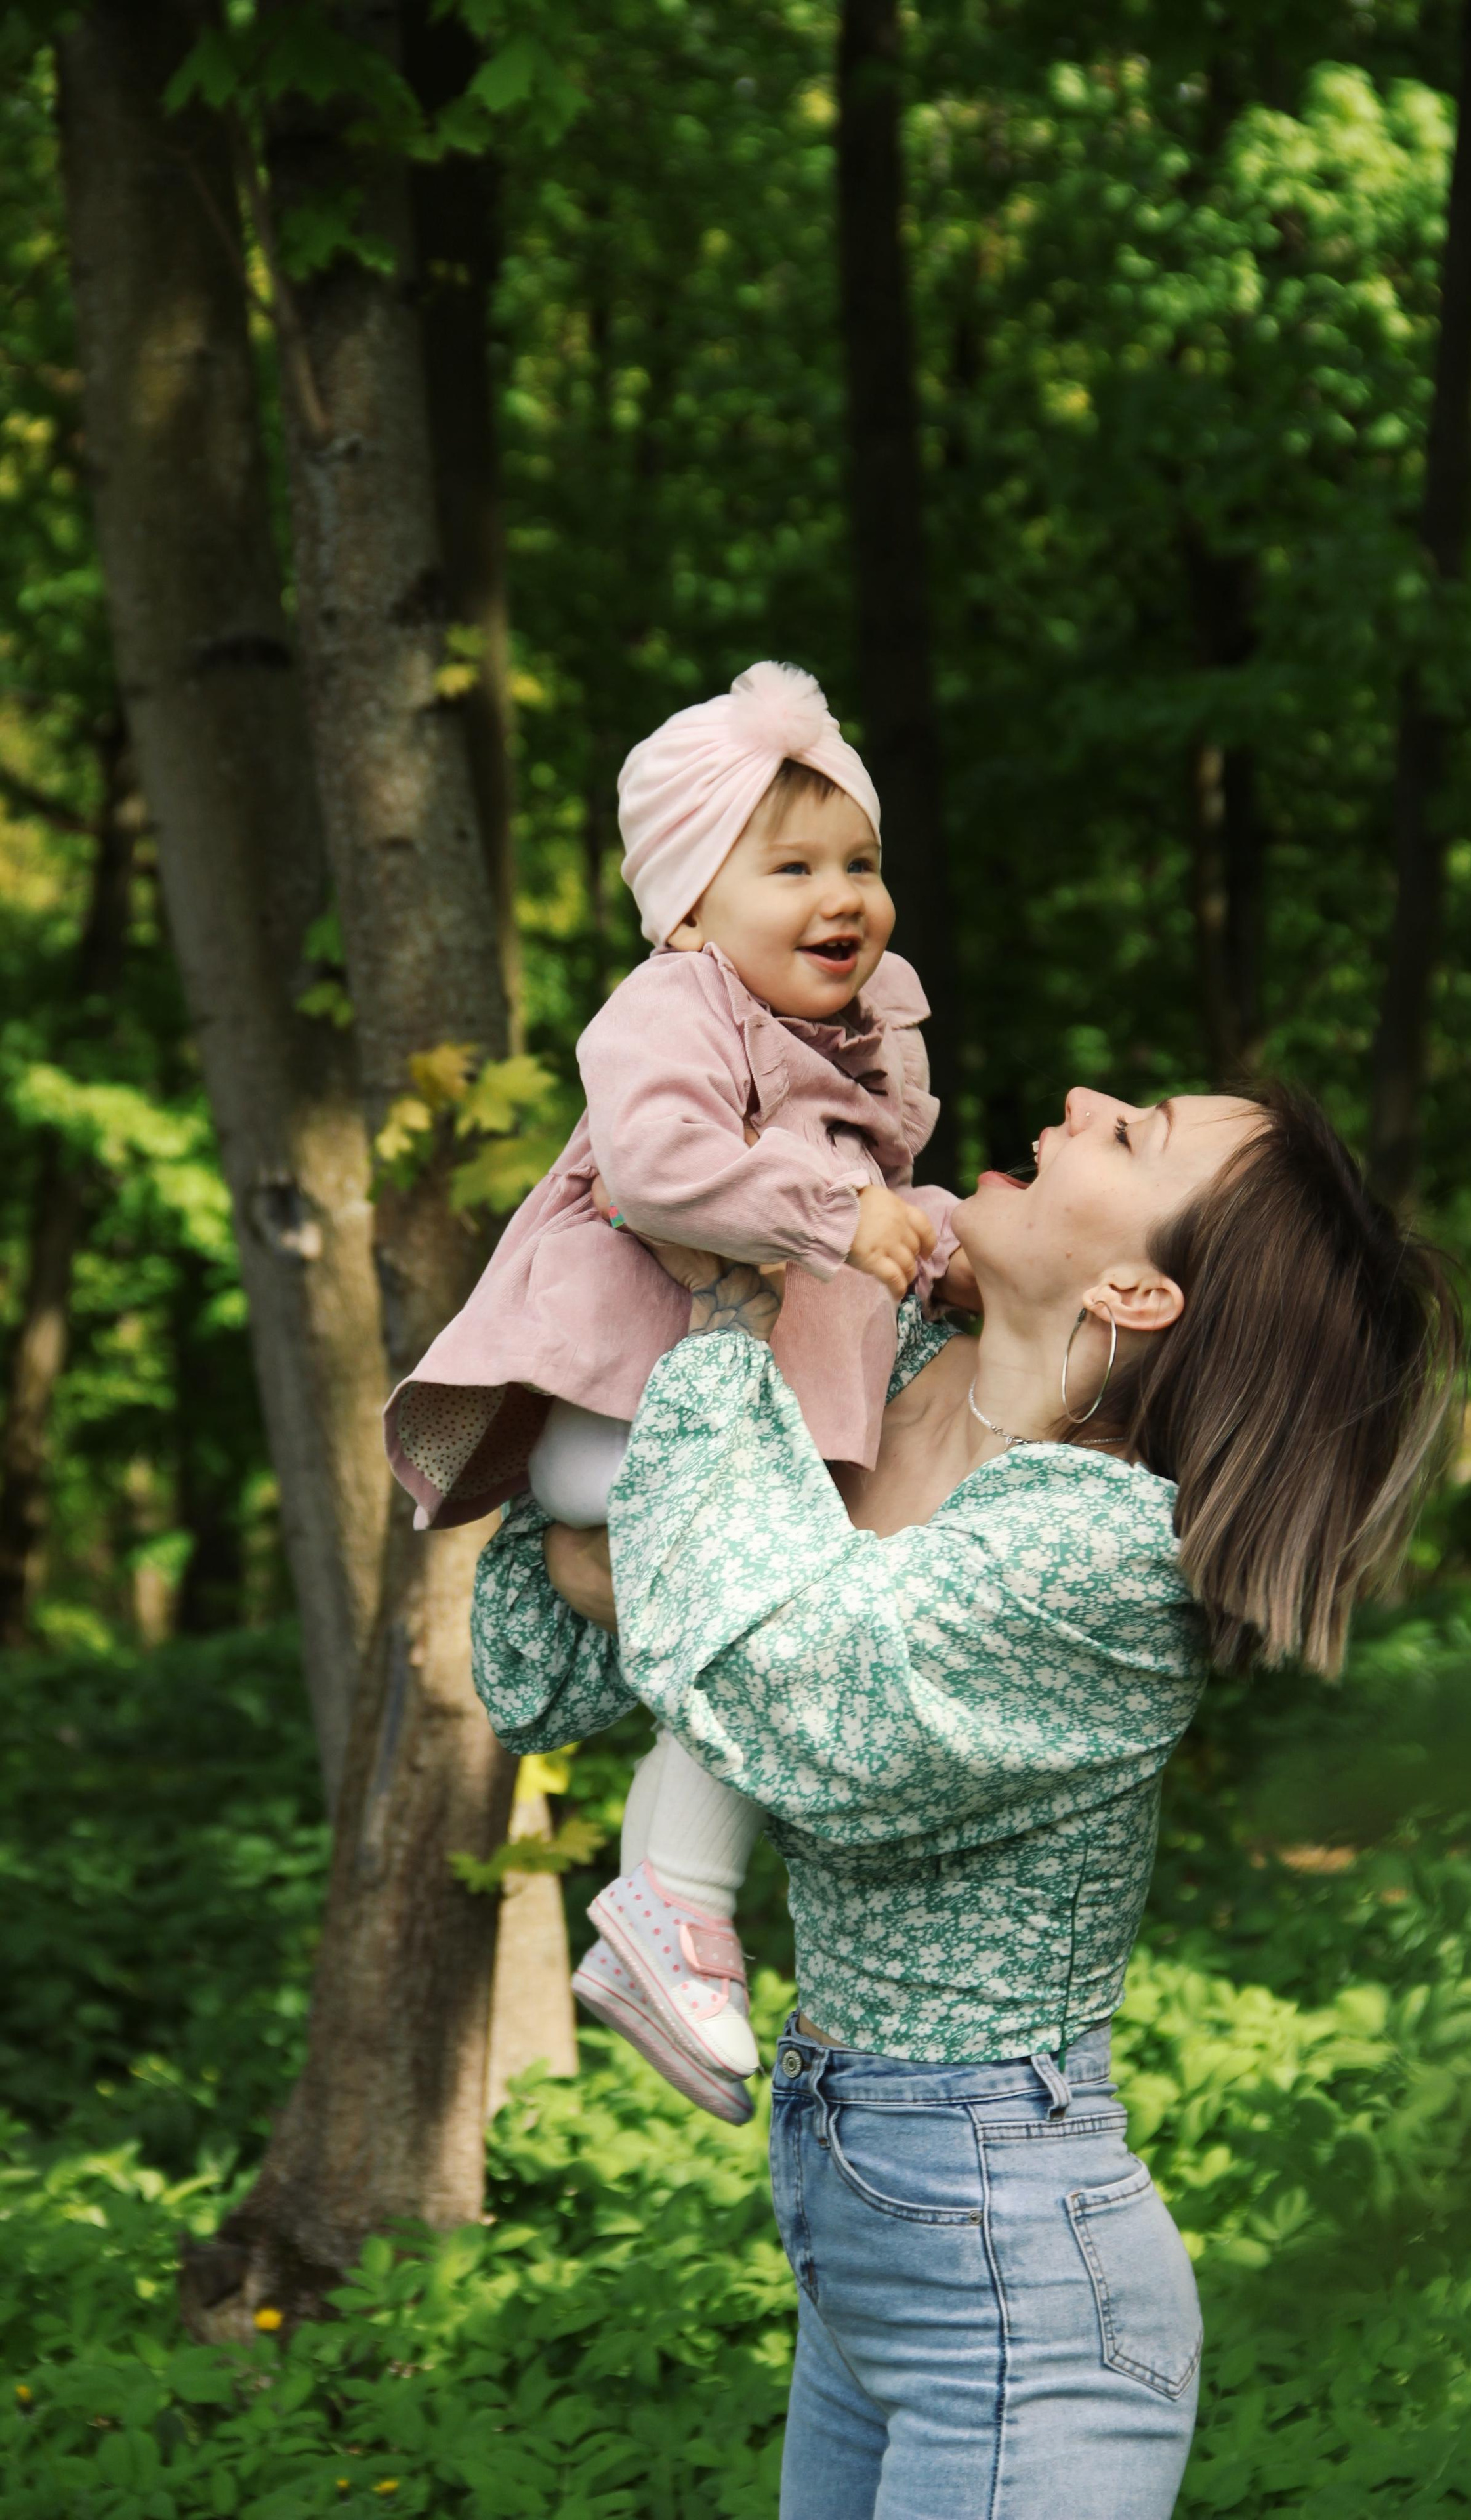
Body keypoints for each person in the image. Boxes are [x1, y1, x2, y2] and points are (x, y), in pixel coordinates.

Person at [469, 1078, 1462, 2520]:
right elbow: (543, 1670)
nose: (1079, 1097)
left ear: (1134, 1288)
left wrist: (725, 1334)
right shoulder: (877, 1370)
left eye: (1131, 1137)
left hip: (1013, 2278)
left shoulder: (1107, 1563)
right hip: (862, 2239)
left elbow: (776, 1694)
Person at [386, 660, 968, 2116]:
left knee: (762, 1641)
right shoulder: (672, 1007)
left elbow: (868, 1202)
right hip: (624, 1406)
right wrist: (841, 1223)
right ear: (688, 905)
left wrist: (945, 1242)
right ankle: (669, 1898)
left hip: (721, 1419)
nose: (841, 896)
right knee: (776, 1611)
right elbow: (657, 1169)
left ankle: (675, 1910)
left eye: (860, 863)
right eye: (790, 867)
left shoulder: (840, 1036)